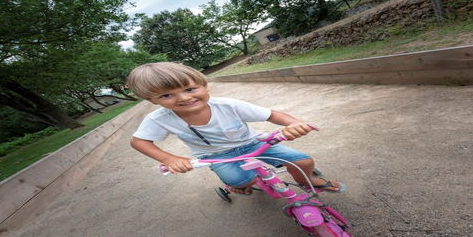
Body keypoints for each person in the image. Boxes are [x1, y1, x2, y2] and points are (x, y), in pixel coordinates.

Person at [127, 62, 345, 195]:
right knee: (241, 181)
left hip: (255, 143)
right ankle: (239, 185)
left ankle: (307, 182)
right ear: (152, 100)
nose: (184, 98)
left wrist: (293, 123)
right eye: (166, 95)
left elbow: (272, 114)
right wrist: (169, 159)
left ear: (204, 85)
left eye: (190, 88)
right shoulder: (159, 118)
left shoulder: (228, 105)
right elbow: (139, 141)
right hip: (215, 156)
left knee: (303, 161)